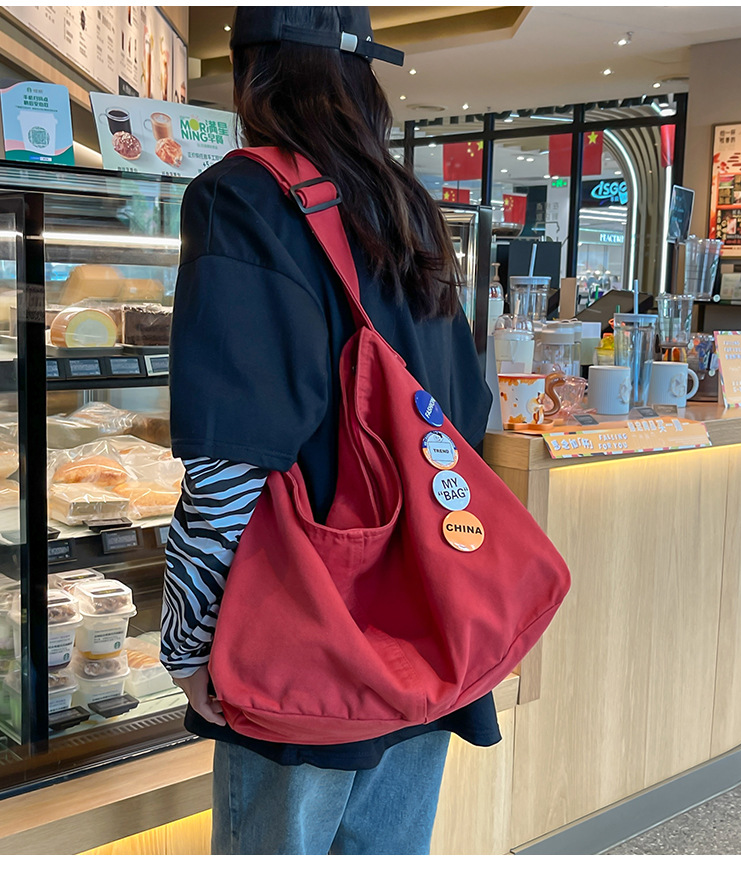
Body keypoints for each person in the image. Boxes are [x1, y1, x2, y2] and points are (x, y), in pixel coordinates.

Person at [160, 6, 501, 856]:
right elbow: (465, 414)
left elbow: (231, 460)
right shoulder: (408, 206)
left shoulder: (241, 197)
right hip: (425, 616)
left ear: (252, 73)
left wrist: (189, 642)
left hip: (303, 634)